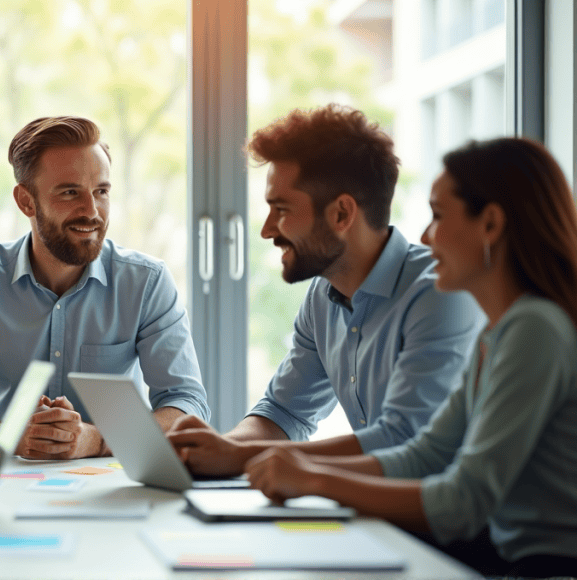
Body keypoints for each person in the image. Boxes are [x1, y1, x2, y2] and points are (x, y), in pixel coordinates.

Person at [242, 137, 577, 578]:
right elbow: (426, 455)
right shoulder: (497, 333)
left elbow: (463, 502)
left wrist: (316, 479)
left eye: (438, 216)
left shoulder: (535, 329)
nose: (424, 236)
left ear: (490, 224)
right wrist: (303, 468)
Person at [168, 104, 483, 474]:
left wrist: (240, 457)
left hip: (445, 524)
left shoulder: (440, 294)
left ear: (341, 214)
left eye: (281, 209)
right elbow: (283, 413)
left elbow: (405, 438)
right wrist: (214, 450)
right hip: (378, 512)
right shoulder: (323, 296)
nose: (267, 230)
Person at [0, 116, 209, 459]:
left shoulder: (147, 282)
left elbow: (187, 404)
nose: (91, 211)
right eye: (70, 192)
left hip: (112, 482)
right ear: (26, 201)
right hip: (5, 480)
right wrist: (13, 436)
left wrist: (97, 440)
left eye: (101, 191)